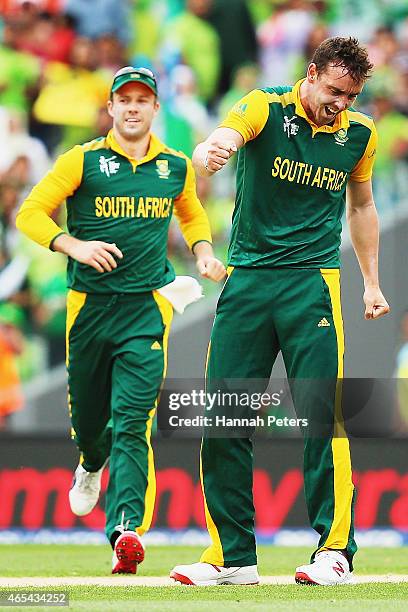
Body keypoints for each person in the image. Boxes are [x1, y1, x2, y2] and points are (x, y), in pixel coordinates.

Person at [170, 37, 390, 587]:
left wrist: (370, 282)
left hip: (311, 284)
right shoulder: (265, 105)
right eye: (335, 90)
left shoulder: (359, 134)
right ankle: (231, 556)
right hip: (246, 280)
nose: (342, 103)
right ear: (311, 74)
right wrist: (209, 149)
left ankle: (335, 552)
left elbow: (361, 205)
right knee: (225, 416)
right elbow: (228, 132)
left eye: (353, 94)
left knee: (321, 415)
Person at [16, 65, 226, 574]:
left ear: (156, 109)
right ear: (110, 108)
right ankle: (90, 463)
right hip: (89, 307)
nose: (133, 107)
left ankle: (125, 530)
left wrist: (201, 251)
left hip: (146, 308)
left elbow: (192, 212)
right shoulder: (81, 161)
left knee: (133, 423)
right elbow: (30, 213)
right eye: (124, 100)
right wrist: (75, 245)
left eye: (142, 100)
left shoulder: (174, 165)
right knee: (91, 423)